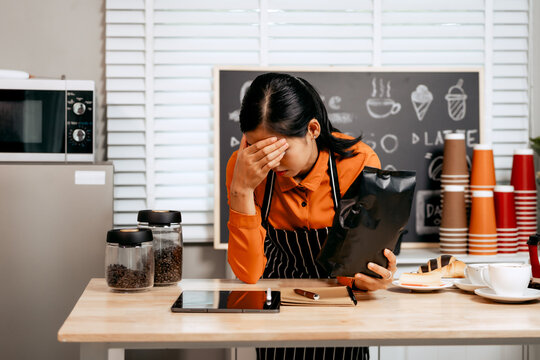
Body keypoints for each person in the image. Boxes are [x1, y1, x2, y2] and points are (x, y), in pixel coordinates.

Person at [226, 73, 397, 360]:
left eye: (279, 149)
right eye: (257, 150)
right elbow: (249, 273)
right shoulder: (244, 170)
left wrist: (373, 277)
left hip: (343, 314)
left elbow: (355, 271)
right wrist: (241, 189)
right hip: (276, 315)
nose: (269, 163)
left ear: (313, 129)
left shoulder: (359, 163)